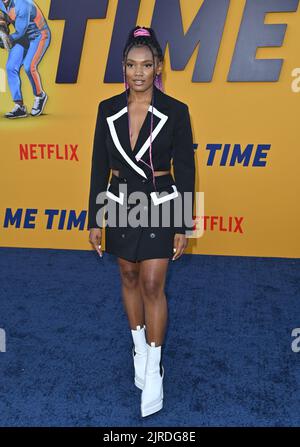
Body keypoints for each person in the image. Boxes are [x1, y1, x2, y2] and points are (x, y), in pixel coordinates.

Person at [88, 26, 195, 417]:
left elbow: (185, 169)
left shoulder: (177, 111)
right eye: (132, 65)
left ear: (158, 67)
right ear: (123, 67)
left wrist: (182, 222)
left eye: (146, 65)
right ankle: (137, 345)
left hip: (161, 200)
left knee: (153, 282)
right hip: (120, 201)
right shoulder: (106, 109)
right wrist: (95, 217)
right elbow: (100, 165)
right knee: (129, 277)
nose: (138, 72)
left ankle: (154, 364)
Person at [0, 0, 51, 118]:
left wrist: (4, 40)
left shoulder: (23, 4)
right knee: (10, 67)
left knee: (29, 66)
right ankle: (19, 106)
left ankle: (40, 95)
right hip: (22, 38)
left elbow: (19, 33)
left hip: (38, 36)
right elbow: (4, 19)